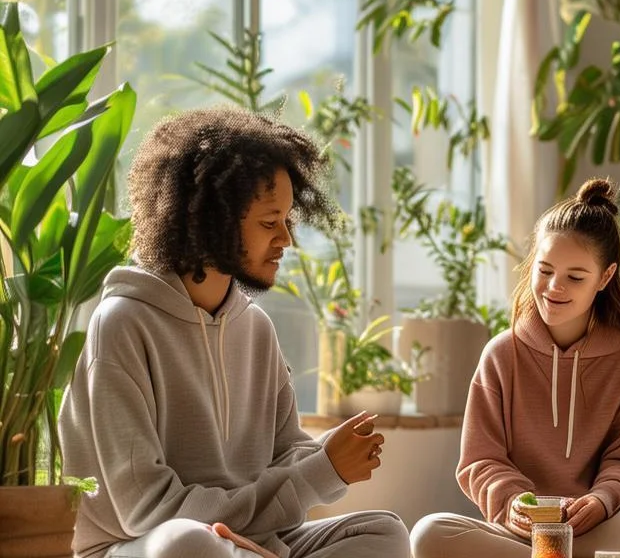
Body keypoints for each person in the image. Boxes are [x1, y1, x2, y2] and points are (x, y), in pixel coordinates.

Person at [58, 108, 410, 558]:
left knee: (383, 533)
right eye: (269, 222)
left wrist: (327, 457)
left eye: (287, 220)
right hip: (140, 546)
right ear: (213, 221)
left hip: (250, 543)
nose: (286, 239)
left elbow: (285, 457)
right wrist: (315, 475)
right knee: (187, 542)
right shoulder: (123, 324)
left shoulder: (256, 328)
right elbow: (146, 512)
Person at [410, 178, 620, 558]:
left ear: (605, 277)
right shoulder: (501, 355)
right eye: (545, 271)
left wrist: (601, 500)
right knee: (429, 533)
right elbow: (480, 459)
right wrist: (511, 501)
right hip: (520, 533)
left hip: (598, 525)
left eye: (575, 277)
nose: (554, 287)